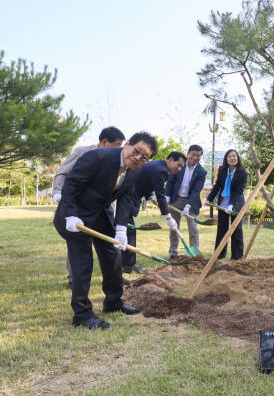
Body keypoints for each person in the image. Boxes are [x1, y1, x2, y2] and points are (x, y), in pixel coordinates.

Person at [53, 131, 157, 329]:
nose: (137, 158)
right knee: (83, 262)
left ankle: (113, 301)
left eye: (144, 157)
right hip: (75, 216)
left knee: (113, 254)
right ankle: (82, 314)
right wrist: (70, 214)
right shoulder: (97, 157)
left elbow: (126, 198)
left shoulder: (134, 170)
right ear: (127, 144)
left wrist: (120, 230)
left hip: (99, 213)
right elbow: (71, 185)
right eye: (136, 151)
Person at [52, 126, 126, 289]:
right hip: (80, 206)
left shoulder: (119, 161)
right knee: (78, 242)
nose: (120, 149)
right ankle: (74, 278)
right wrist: (58, 192)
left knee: (109, 246)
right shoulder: (83, 152)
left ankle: (114, 279)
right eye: (117, 144)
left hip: (102, 209)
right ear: (104, 142)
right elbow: (63, 173)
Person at [122, 151, 186, 271]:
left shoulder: (158, 166)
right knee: (129, 232)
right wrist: (168, 217)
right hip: (127, 198)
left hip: (130, 197)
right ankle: (129, 264)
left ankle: (127, 264)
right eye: (179, 165)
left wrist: (150, 196)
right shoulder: (160, 170)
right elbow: (161, 195)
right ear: (170, 160)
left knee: (128, 232)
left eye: (182, 167)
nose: (180, 168)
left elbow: (145, 181)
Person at [205, 149, 247, 260]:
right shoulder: (222, 170)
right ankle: (219, 254)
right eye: (229, 156)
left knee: (236, 229)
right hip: (223, 202)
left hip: (236, 203)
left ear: (237, 158)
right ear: (226, 159)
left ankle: (237, 256)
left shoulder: (243, 172)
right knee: (222, 228)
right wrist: (209, 199)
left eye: (234, 156)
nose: (232, 158)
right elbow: (217, 185)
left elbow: (239, 190)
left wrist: (232, 205)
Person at [165, 145, 207, 258]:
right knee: (174, 227)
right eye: (193, 154)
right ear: (188, 154)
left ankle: (195, 254)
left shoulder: (202, 172)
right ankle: (173, 253)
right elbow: (171, 180)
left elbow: (196, 190)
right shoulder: (180, 165)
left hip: (191, 201)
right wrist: (167, 196)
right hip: (176, 199)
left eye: (198, 156)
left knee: (193, 228)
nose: (195, 157)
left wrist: (188, 206)